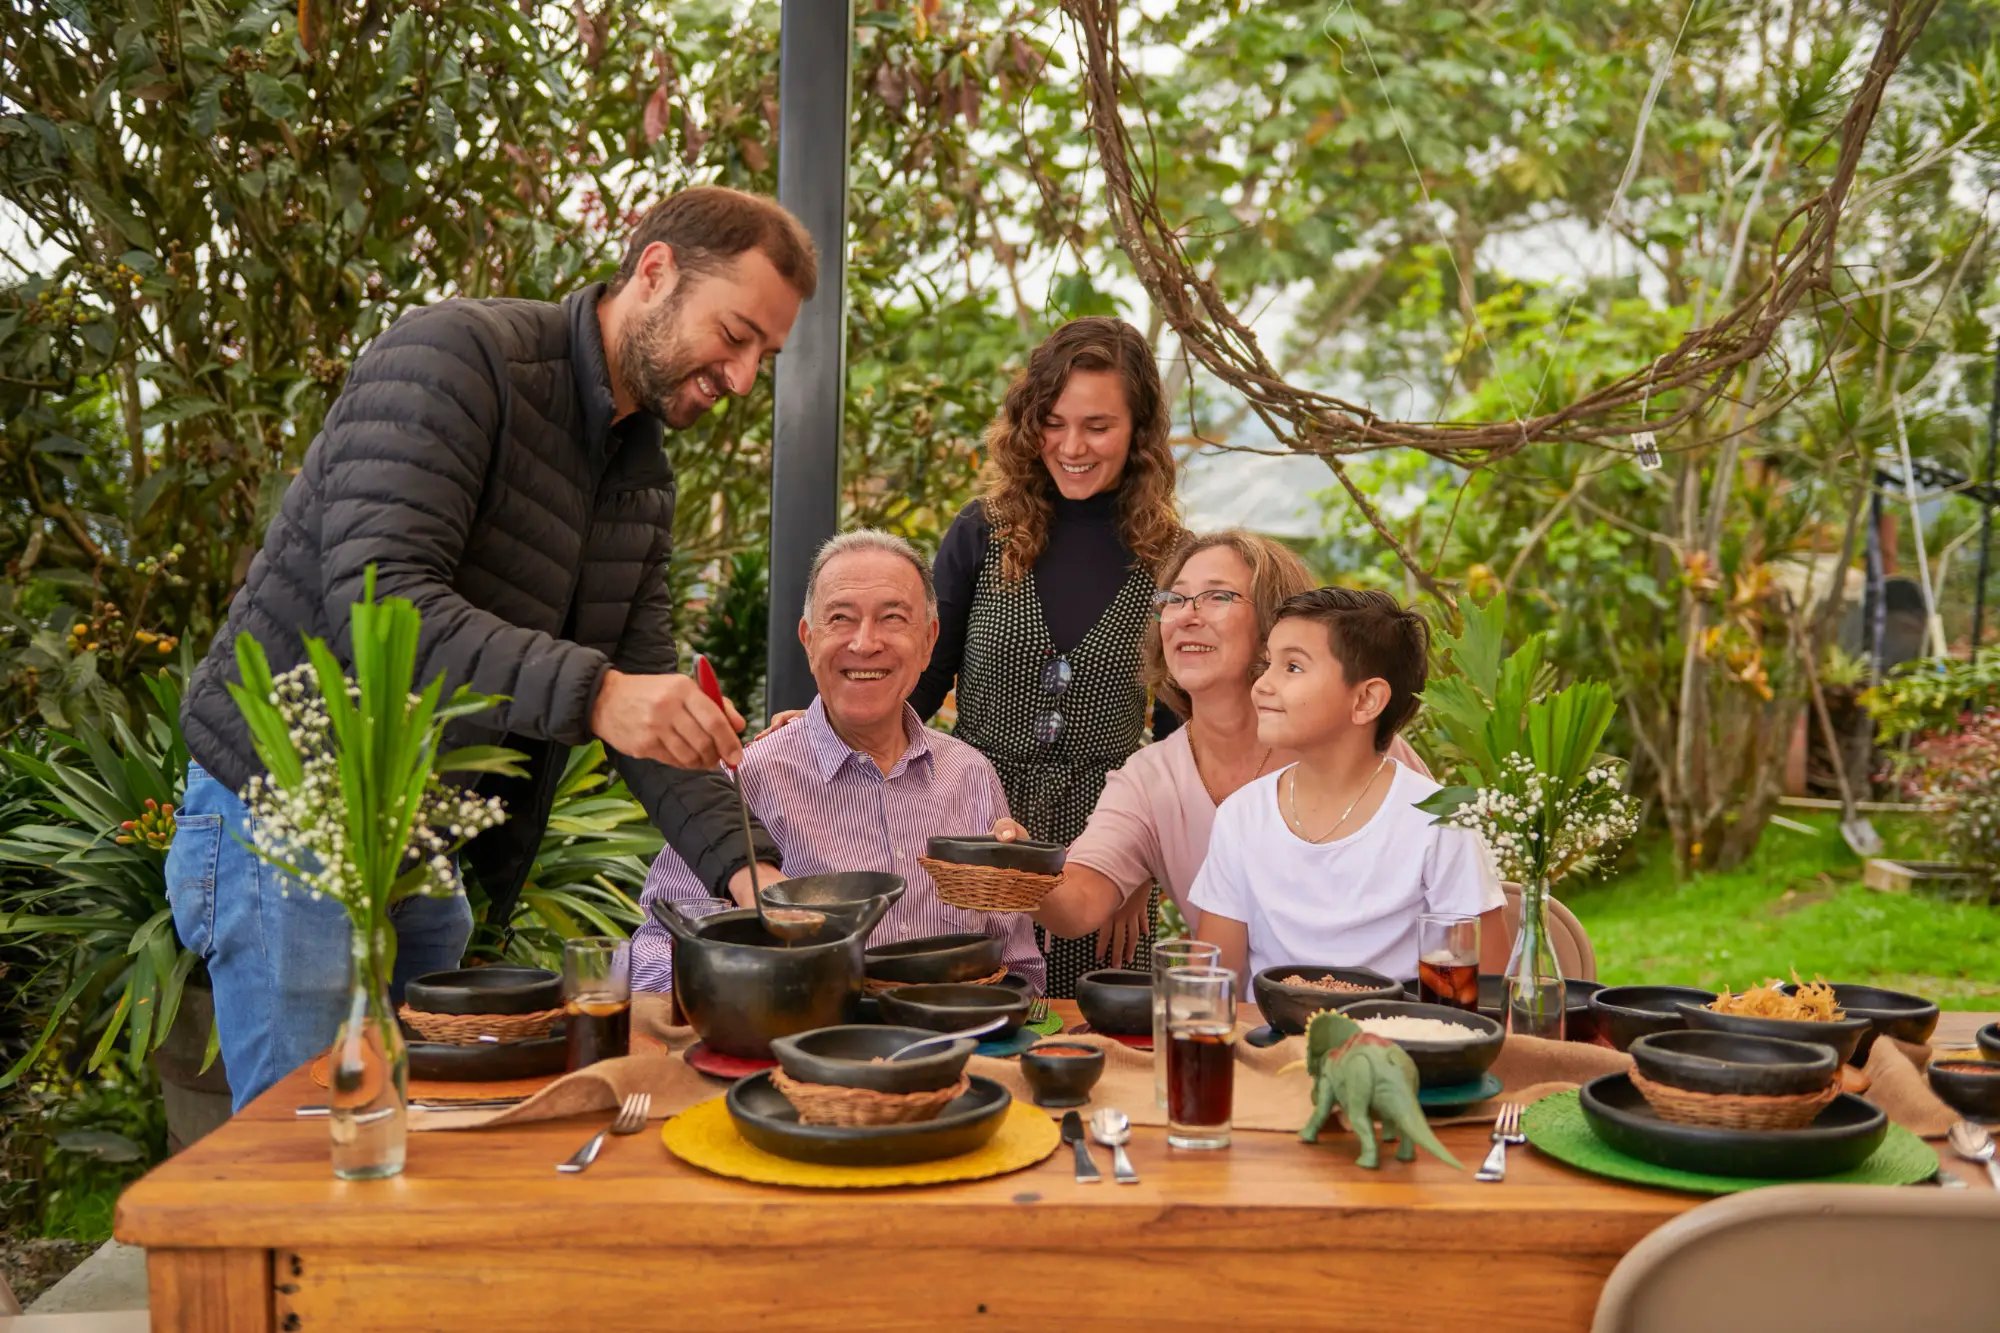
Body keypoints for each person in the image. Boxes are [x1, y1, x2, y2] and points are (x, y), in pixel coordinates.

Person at [168, 186, 808, 1108]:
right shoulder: (458, 358)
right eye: (735, 334)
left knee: (426, 1142)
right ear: (656, 270)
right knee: (305, 1157)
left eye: (765, 356)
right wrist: (599, 694)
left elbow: (649, 708)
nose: (744, 378)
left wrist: (752, 875)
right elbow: (381, 601)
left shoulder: (639, 478)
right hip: (289, 816)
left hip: (420, 843)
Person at [630, 531, 1044, 994]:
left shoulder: (971, 776)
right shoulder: (746, 780)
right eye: (841, 619)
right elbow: (651, 957)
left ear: (929, 642)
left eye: (892, 618)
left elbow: (1019, 966)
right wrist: (755, 970)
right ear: (809, 640)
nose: (865, 644)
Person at [910, 317, 1184, 996]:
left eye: (1097, 425)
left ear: (1140, 431)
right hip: (973, 842)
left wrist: (1140, 862)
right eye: (1053, 422)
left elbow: (1181, 742)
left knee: (1091, 1052)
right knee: (963, 1021)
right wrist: (822, 737)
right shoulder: (982, 530)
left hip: (1103, 861)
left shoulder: (1173, 560)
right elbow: (918, 686)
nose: (1071, 446)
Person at [1027, 532, 1429, 952]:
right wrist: (1014, 864)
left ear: (1278, 623)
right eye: (1175, 599)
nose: (1186, 616)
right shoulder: (1149, 780)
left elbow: (1452, 901)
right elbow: (1078, 905)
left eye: (1218, 597)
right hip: (1236, 1012)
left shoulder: (1350, 742)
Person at [1189, 588, 1508, 984]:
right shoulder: (1241, 815)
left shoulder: (1438, 819)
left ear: (1366, 701)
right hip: (1274, 1043)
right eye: (1268, 664)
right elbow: (1211, 980)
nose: (1262, 685)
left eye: (1292, 668)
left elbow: (1485, 990)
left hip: (1401, 1040)